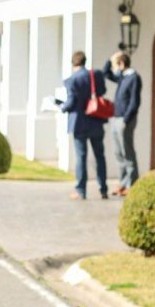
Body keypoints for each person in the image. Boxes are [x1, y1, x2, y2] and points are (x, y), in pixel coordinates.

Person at [60, 50, 109, 200]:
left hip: (79, 123)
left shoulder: (72, 80)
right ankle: (103, 188)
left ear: (73, 63)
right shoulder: (96, 75)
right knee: (99, 156)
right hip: (95, 120)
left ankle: (81, 190)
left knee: (81, 157)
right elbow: (103, 91)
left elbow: (71, 102)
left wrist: (61, 107)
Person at [102, 51, 142, 196]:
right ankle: (123, 182)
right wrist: (111, 58)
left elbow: (134, 101)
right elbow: (106, 73)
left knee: (127, 152)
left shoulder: (134, 78)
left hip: (126, 120)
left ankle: (132, 183)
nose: (115, 68)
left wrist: (126, 120)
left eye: (116, 65)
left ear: (122, 64)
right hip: (115, 118)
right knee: (118, 152)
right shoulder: (122, 77)